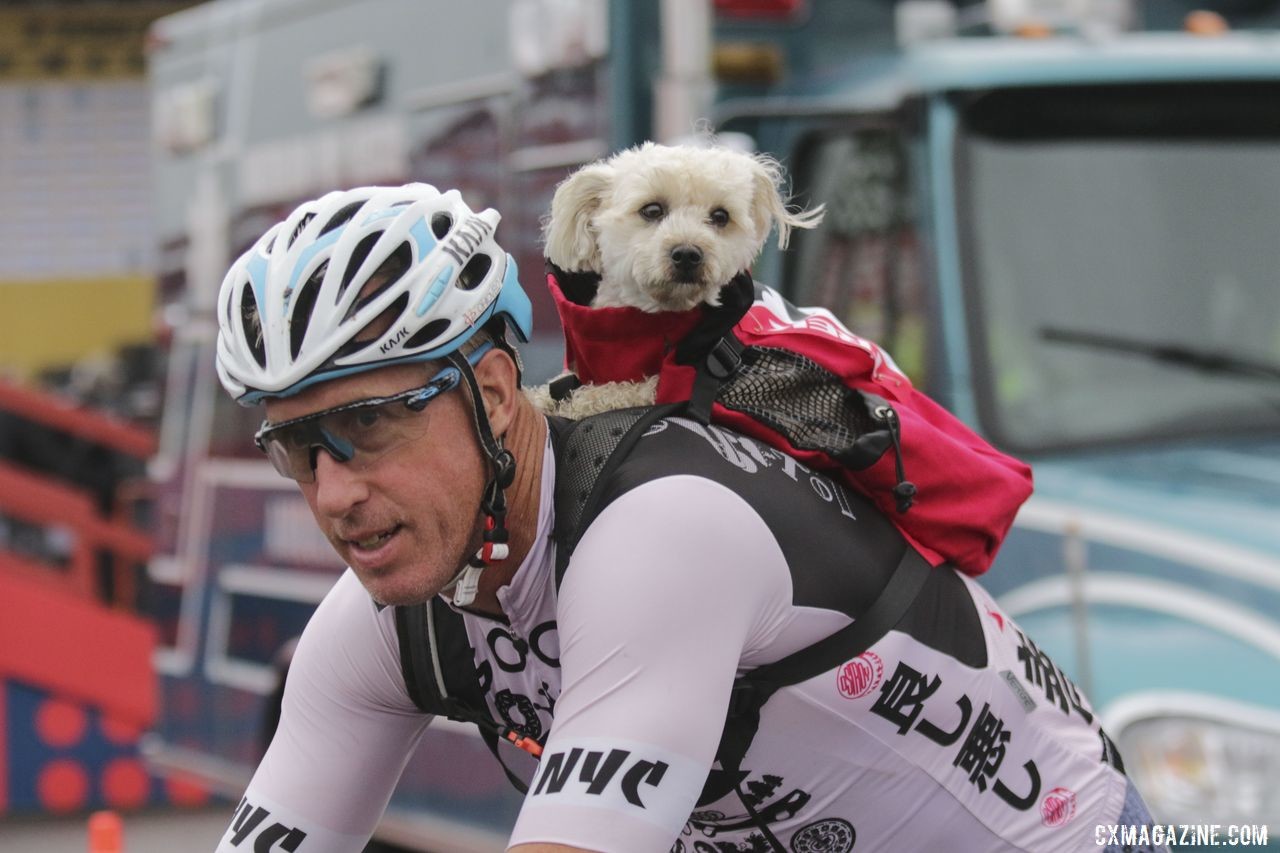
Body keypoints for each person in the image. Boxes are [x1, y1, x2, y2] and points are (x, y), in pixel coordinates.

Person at [212, 183, 1164, 852]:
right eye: (298, 447)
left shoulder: (662, 528)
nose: (334, 492)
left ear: (495, 394)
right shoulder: (386, 619)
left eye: (369, 423)